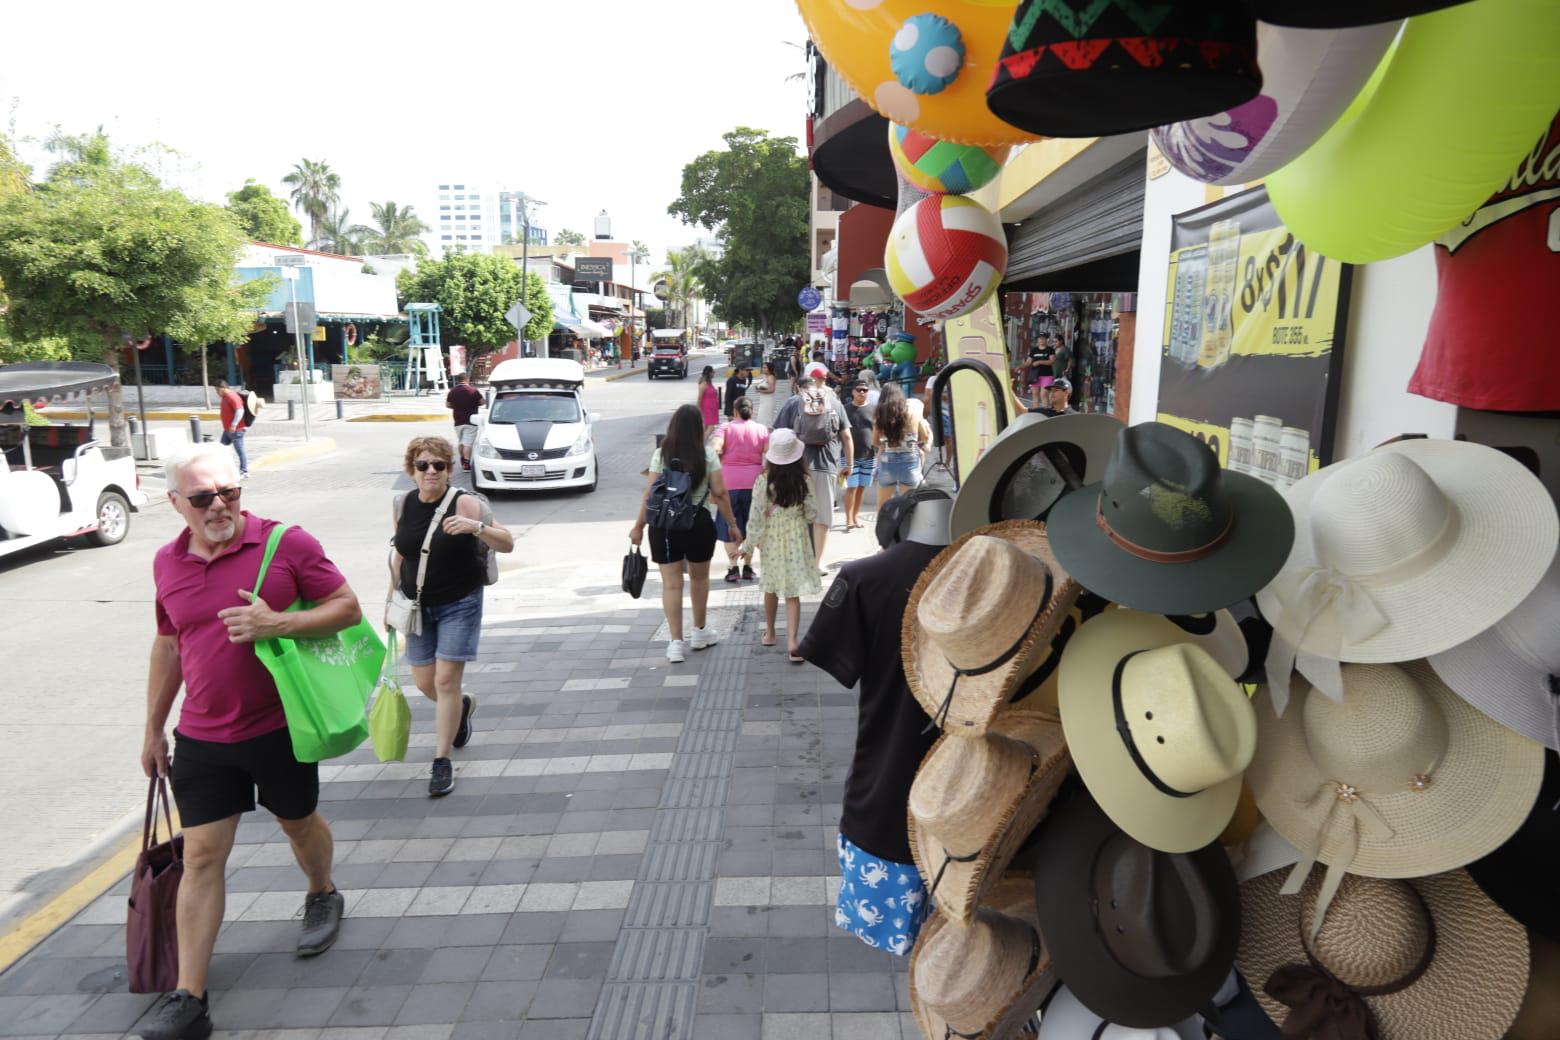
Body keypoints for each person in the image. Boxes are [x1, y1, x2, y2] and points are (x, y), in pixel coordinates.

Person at [140, 443, 358, 1040]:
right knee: (203, 855)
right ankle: (190, 999)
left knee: (298, 821)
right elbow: (169, 644)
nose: (219, 506)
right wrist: (154, 728)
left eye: (229, 492)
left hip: (279, 728)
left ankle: (322, 891)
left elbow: (347, 607)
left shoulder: (286, 543)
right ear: (175, 503)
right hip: (203, 737)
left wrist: (280, 622)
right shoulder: (166, 562)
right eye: (203, 497)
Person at [388, 436, 514, 797]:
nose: (430, 472)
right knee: (426, 681)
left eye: (438, 465)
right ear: (411, 470)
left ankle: (441, 761)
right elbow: (400, 554)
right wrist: (389, 599)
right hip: (416, 606)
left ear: (449, 469)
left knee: (444, 681)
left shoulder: (468, 504)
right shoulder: (402, 504)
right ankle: (461, 707)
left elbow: (507, 542)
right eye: (422, 465)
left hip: (460, 602)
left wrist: (477, 528)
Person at [630, 404, 742, 663]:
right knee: (699, 580)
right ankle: (700, 632)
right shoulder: (706, 455)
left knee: (671, 584)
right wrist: (732, 524)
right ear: (697, 429)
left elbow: (650, 494)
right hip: (697, 523)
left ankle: (675, 643)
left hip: (663, 526)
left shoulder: (661, 454)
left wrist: (638, 526)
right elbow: (721, 493)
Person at [741, 429, 822, 661]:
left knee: (771, 585)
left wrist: (748, 545)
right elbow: (812, 513)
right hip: (797, 537)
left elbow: (755, 516)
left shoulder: (763, 480)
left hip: (772, 538)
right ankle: (793, 642)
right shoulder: (804, 480)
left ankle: (770, 633)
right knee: (792, 591)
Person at [772, 375, 853, 575]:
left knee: (795, 513)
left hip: (796, 465)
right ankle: (817, 563)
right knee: (822, 516)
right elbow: (847, 436)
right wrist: (848, 464)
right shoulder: (834, 401)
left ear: (799, 388)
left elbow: (778, 436)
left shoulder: (792, 402)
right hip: (826, 465)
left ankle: (795, 561)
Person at [711, 396, 769, 583]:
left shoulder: (725, 428)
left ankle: (733, 567)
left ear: (735, 412)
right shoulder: (761, 430)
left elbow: (715, 448)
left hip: (729, 485)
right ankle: (749, 567)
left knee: (729, 525)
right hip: (755, 484)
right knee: (752, 525)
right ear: (752, 411)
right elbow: (771, 453)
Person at [873, 383, 927, 508]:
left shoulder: (880, 416)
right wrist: (910, 441)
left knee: (882, 506)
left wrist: (886, 442)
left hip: (888, 461)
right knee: (909, 506)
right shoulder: (913, 413)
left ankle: (883, 527)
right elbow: (924, 437)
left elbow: (874, 442)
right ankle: (906, 527)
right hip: (910, 459)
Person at [842, 381, 876, 531]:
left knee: (861, 488)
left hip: (869, 455)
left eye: (865, 390)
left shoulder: (873, 410)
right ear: (853, 392)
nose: (862, 392)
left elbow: (877, 431)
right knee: (851, 487)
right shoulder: (845, 409)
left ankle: (855, 517)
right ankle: (848, 519)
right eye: (859, 390)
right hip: (849, 456)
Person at [445, 372, 484, 472]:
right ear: (467, 379)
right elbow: (482, 402)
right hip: (471, 420)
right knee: (468, 443)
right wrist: (473, 404)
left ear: (459, 380)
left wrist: (457, 406)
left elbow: (448, 405)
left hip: (458, 420)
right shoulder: (473, 390)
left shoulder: (452, 391)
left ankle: (462, 459)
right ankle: (466, 464)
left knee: (461, 442)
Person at [215, 378, 249, 479]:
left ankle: (244, 471)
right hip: (228, 430)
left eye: (217, 390)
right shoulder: (226, 396)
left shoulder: (231, 396)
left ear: (223, 388)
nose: (217, 393)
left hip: (236, 430)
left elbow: (240, 410)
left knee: (240, 451)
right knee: (221, 449)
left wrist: (234, 424)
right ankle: (223, 469)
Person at [697, 365, 721, 432]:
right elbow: (700, 397)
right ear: (709, 373)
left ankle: (701, 441)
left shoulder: (709, 382)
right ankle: (702, 441)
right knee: (711, 427)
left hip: (711, 407)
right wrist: (698, 408)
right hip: (707, 408)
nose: (714, 373)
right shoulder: (704, 383)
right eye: (713, 372)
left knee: (706, 427)